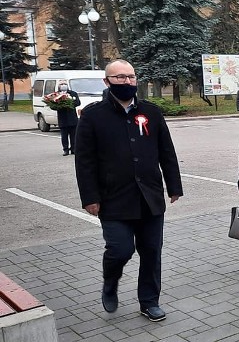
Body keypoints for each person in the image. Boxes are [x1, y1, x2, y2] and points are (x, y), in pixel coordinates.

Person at [74, 59, 183, 321]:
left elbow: (166, 152)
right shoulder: (92, 115)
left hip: (150, 198)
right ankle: (110, 282)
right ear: (107, 81)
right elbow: (84, 161)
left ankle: (149, 301)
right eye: (119, 77)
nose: (127, 82)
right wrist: (90, 198)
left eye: (131, 77)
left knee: (151, 252)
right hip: (113, 200)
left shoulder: (152, 112)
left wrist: (174, 186)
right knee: (120, 250)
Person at [56, 82, 81, 156]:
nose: (63, 86)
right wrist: (60, 105)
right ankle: (65, 150)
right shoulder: (56, 95)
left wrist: (70, 103)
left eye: (64, 84)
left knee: (73, 135)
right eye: (61, 84)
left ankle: (73, 149)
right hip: (62, 118)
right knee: (64, 136)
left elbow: (78, 103)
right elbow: (53, 105)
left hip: (72, 118)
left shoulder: (73, 93)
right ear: (59, 86)